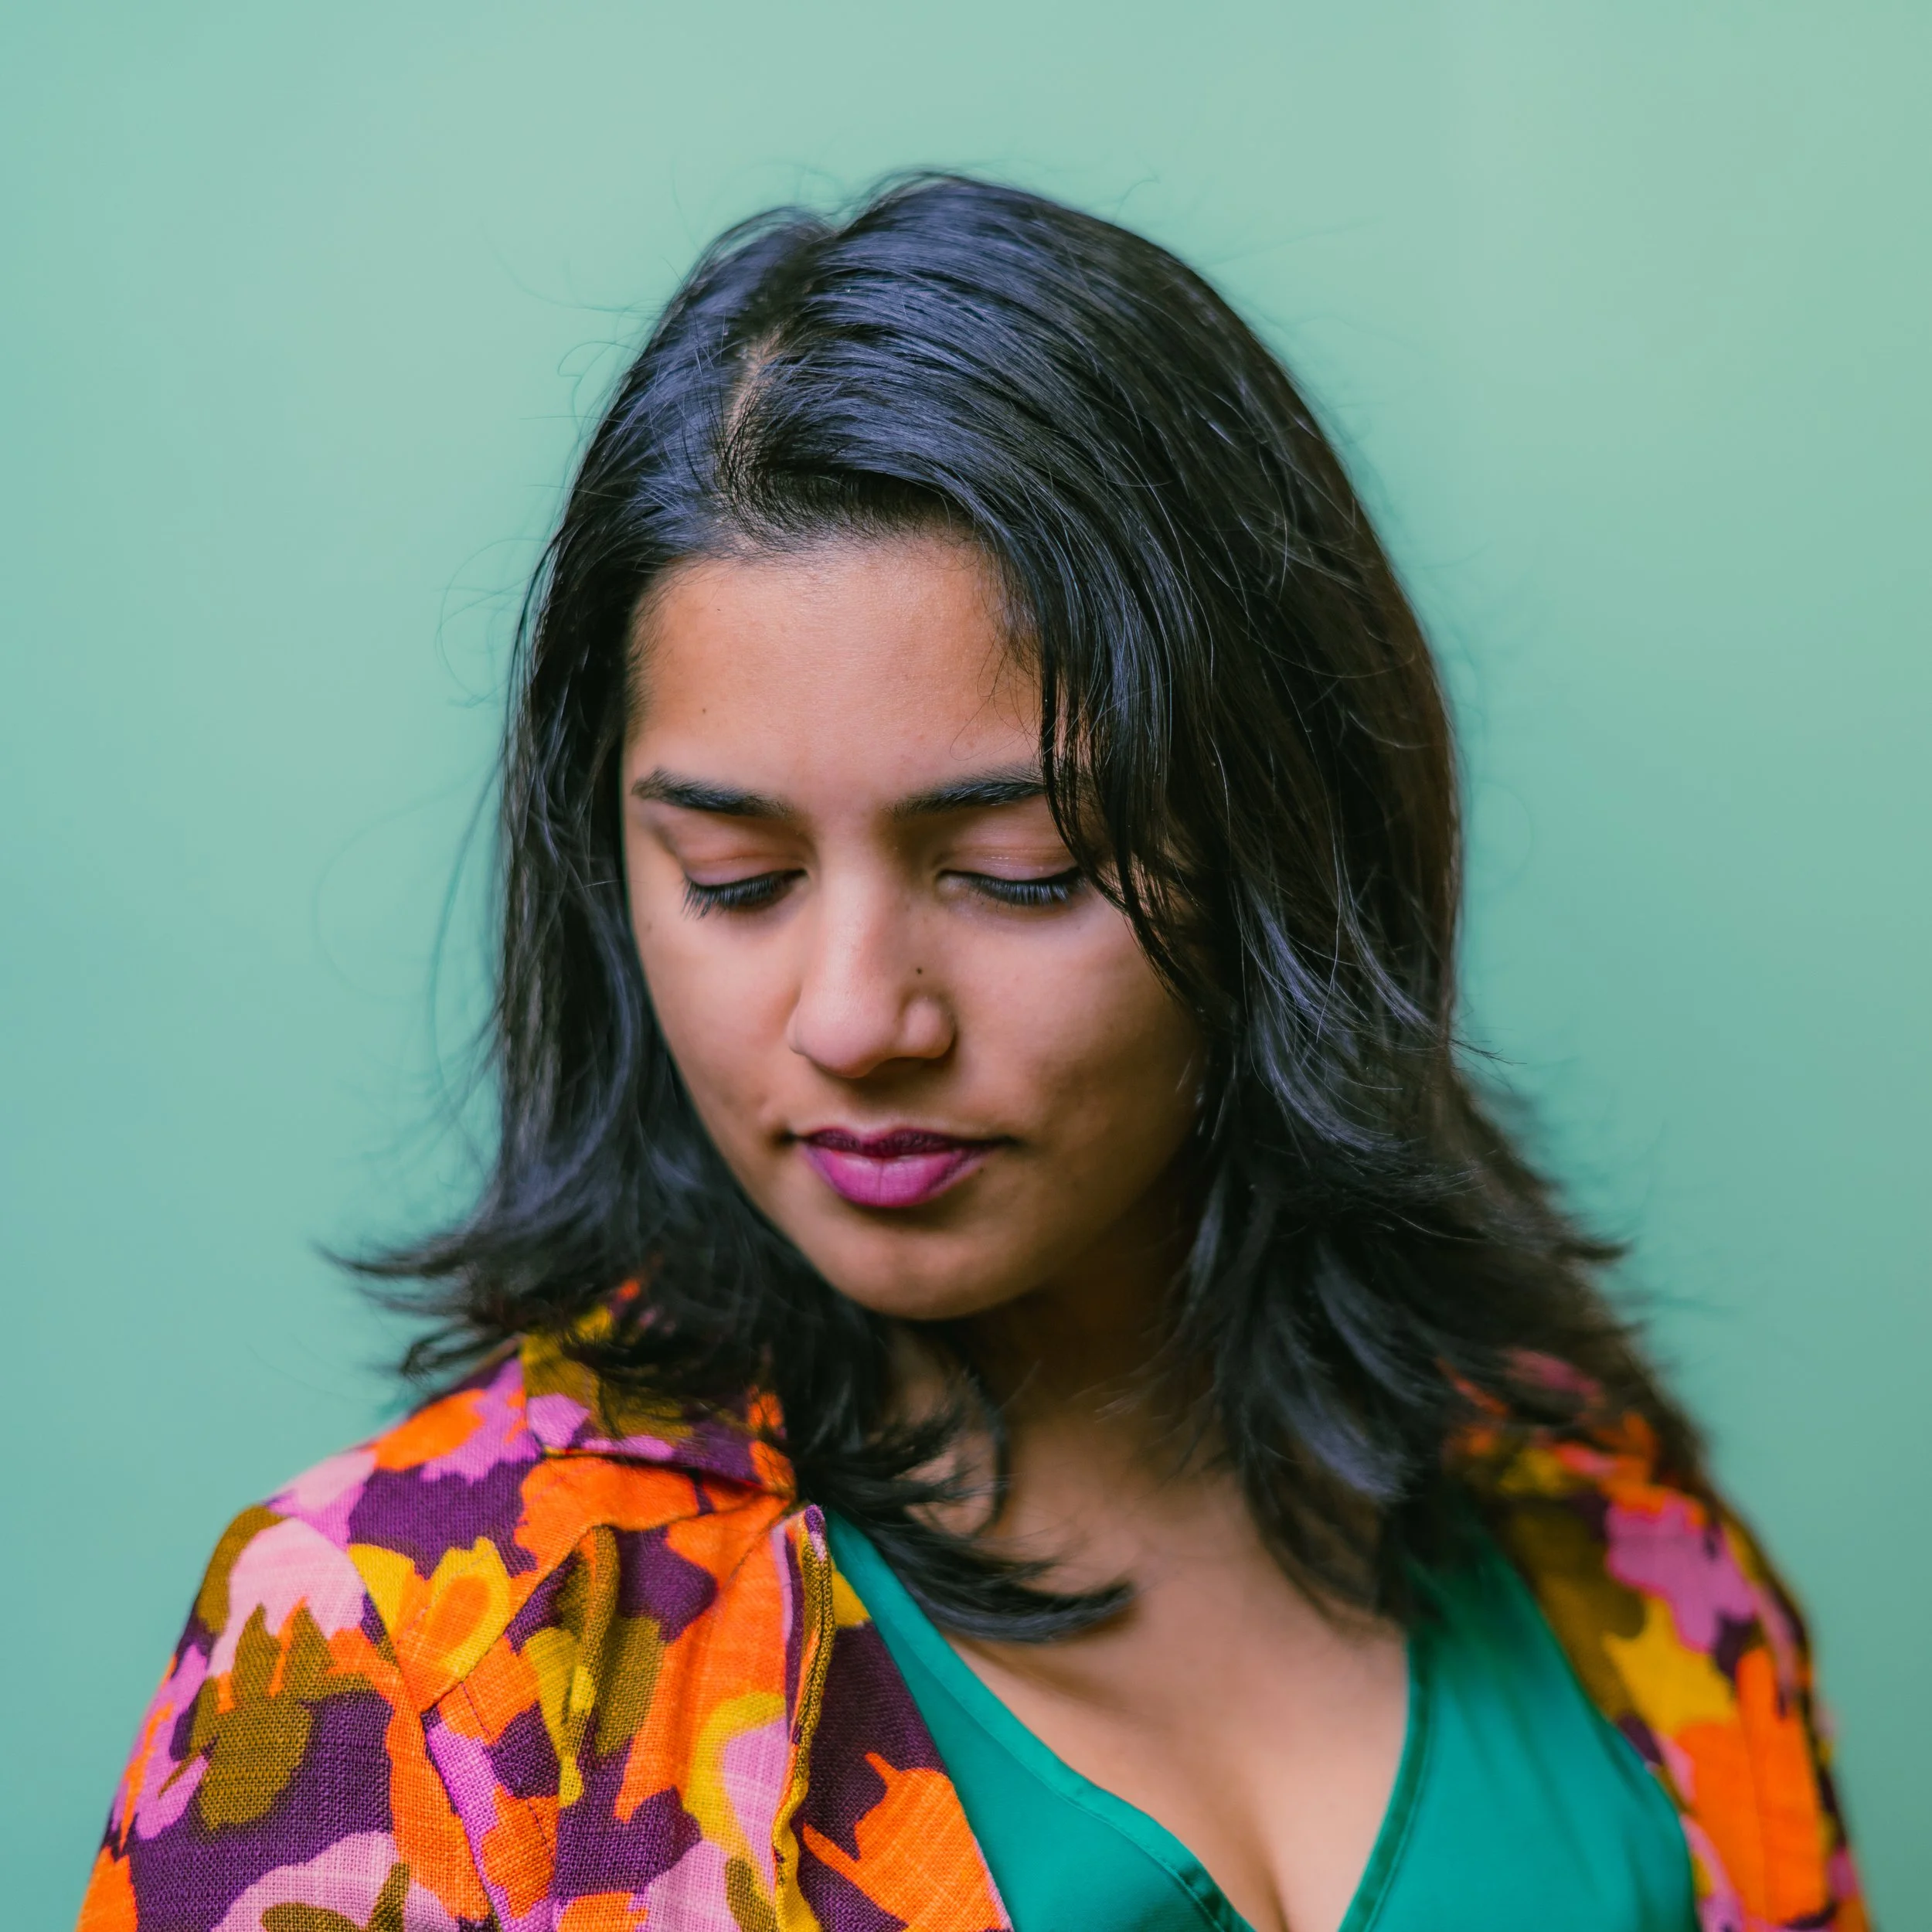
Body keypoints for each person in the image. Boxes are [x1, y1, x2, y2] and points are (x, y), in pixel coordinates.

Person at [78, 175, 1863, 1932]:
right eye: (738, 877)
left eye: (1021, 873)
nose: (856, 1018)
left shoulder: (1609, 1544)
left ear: (1280, 847)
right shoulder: (404, 1655)